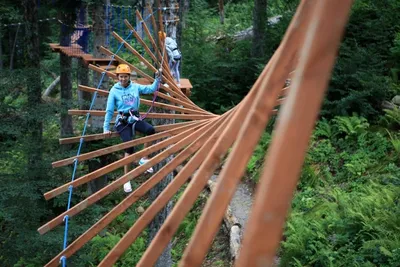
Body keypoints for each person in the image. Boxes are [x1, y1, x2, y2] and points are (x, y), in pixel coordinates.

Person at [103, 63, 160, 193]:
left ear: (129, 77)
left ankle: (143, 158)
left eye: (125, 76)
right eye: (121, 77)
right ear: (117, 77)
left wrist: (158, 78)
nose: (123, 79)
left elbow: (151, 89)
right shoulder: (114, 90)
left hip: (134, 118)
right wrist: (106, 127)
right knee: (129, 146)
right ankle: (126, 179)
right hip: (122, 122)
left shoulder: (135, 87)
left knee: (150, 130)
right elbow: (110, 110)